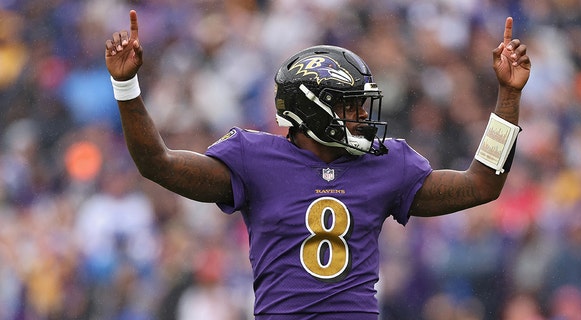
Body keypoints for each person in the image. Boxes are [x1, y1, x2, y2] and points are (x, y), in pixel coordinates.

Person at [105, 10, 530, 319]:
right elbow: (156, 163)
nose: (363, 117)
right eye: (351, 107)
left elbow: (481, 184)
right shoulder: (254, 158)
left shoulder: (386, 163)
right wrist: (126, 85)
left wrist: (508, 95)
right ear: (312, 111)